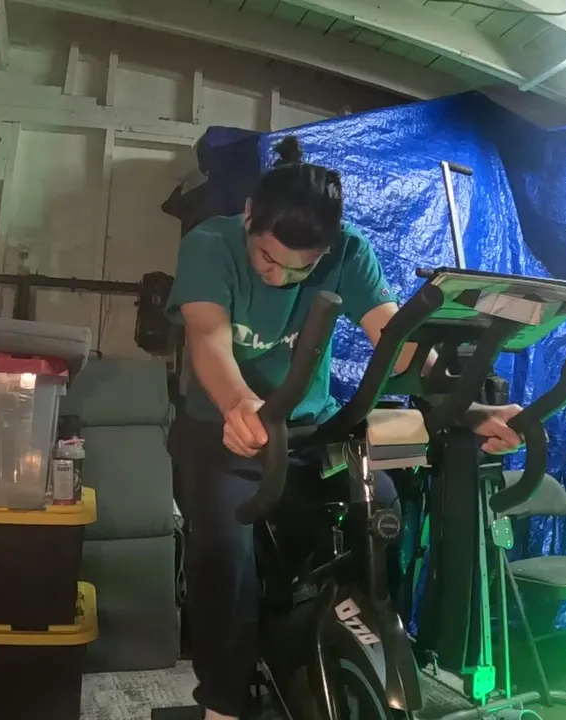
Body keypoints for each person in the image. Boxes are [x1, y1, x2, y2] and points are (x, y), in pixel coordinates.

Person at [166, 136, 523, 720]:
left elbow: (396, 341)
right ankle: (224, 700)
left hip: (308, 431)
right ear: (249, 216)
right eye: (267, 259)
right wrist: (238, 403)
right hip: (225, 431)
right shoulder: (210, 245)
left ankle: (346, 645)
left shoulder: (350, 250)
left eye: (301, 268)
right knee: (226, 552)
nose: (280, 277)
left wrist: (466, 409)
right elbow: (208, 338)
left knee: (380, 508)